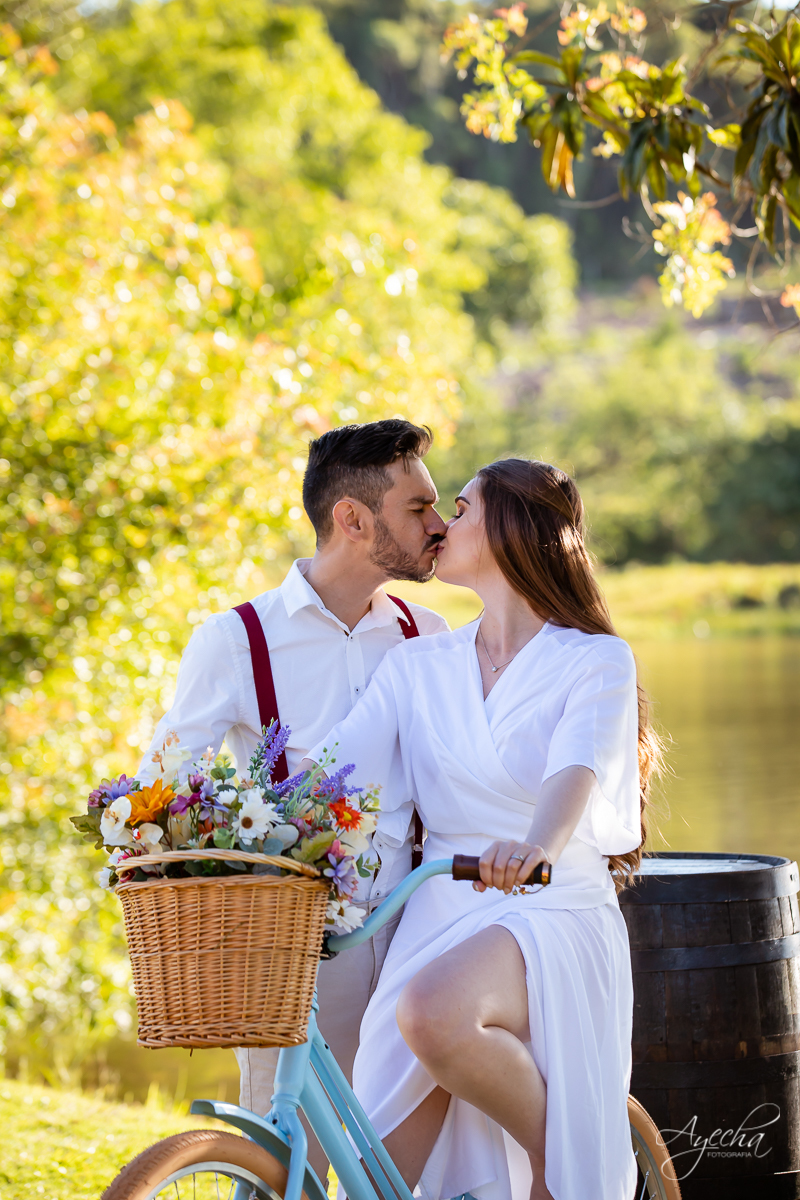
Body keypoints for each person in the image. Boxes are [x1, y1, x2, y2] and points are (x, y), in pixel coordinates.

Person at [305, 458, 662, 1200]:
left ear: (509, 530)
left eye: (462, 508)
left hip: (549, 901)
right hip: (440, 906)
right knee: (377, 1180)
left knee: (434, 1012)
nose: (441, 525)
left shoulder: (594, 659)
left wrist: (538, 847)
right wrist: (222, 823)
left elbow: (577, 769)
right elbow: (330, 772)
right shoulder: (417, 665)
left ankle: (560, 1166)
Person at [137, 418, 449, 1177]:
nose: (439, 525)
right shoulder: (235, 640)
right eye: (419, 508)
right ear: (353, 519)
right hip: (295, 940)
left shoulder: (430, 633)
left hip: (422, 927)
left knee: (406, 1169)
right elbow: (162, 789)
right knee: (285, 1165)